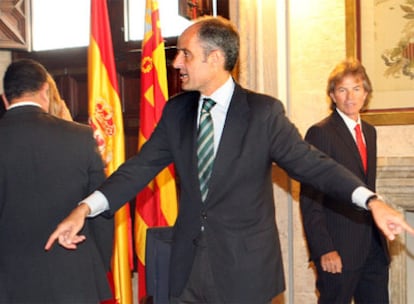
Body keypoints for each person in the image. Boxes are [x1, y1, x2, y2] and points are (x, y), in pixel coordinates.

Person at [45, 16, 414, 304]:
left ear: (216, 58)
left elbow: (313, 165)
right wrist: (84, 209)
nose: (177, 63)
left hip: (244, 272)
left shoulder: (263, 113)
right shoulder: (176, 112)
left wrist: (371, 200)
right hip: (187, 270)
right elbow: (138, 169)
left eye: (186, 54)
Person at [0, 58, 114, 303]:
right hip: (75, 276)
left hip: (9, 283)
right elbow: (101, 209)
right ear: (45, 90)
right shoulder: (81, 137)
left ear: (4, 97)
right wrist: (97, 265)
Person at [299, 59, 390, 304]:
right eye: (342, 89)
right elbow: (310, 198)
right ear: (332, 95)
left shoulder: (370, 132)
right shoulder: (321, 132)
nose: (350, 96)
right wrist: (324, 249)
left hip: (373, 248)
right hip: (338, 250)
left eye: (356, 88)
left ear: (366, 93)